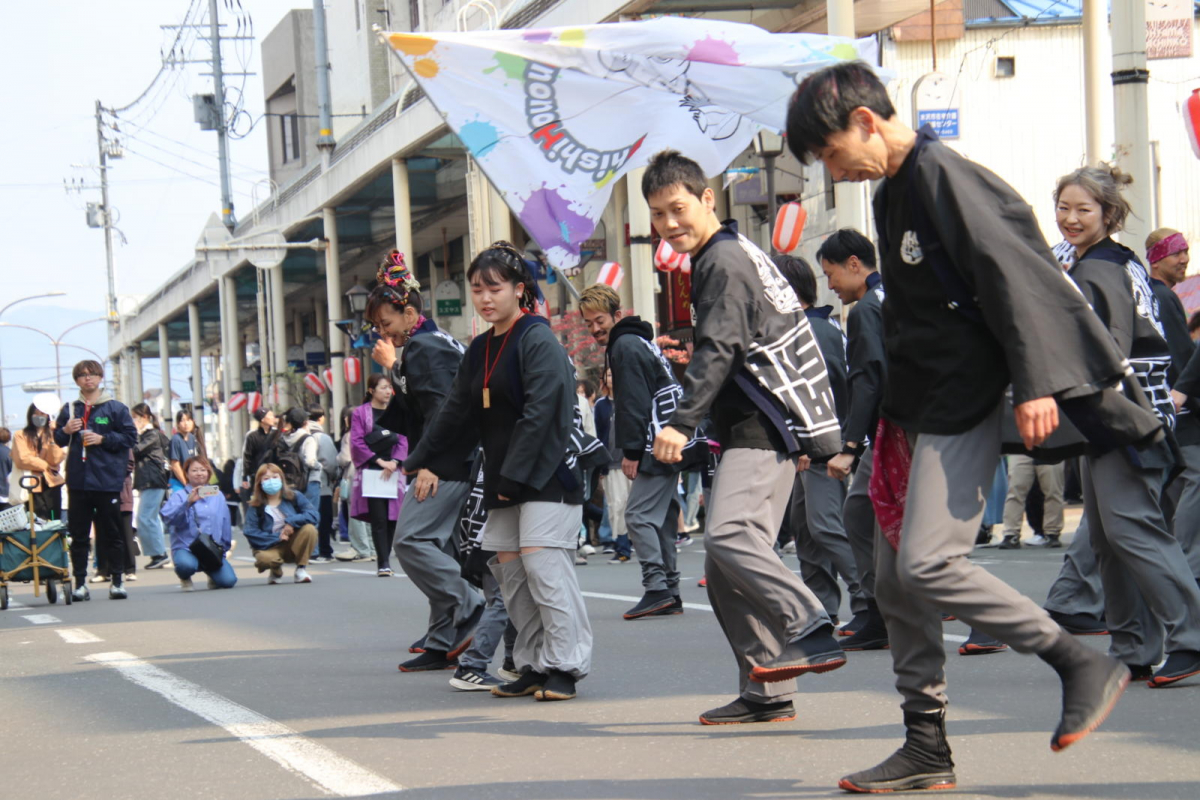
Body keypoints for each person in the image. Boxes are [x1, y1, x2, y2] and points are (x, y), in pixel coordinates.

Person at [787, 62, 1141, 791]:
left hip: (964, 399)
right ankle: (926, 745)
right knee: (894, 583)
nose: (832, 168)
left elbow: (1016, 270)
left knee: (928, 564)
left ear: (862, 121)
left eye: (827, 152)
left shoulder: (945, 174)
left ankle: (1079, 661)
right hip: (911, 409)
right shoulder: (891, 192)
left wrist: (1038, 380)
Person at [643, 150, 845, 726]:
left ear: (708, 200)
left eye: (677, 208)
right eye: (658, 215)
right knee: (727, 564)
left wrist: (680, 422)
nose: (669, 224)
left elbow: (720, 347)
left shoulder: (722, 261)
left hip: (762, 425)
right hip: (755, 424)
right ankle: (766, 690)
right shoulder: (728, 254)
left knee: (729, 536)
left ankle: (808, 622)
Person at [405, 241, 597, 702]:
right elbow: (455, 411)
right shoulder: (481, 347)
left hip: (550, 473)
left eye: (494, 288)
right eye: (476, 289)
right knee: (511, 577)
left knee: (544, 567)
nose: (485, 298)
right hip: (506, 477)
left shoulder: (538, 337)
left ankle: (566, 665)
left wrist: (513, 477)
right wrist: (422, 458)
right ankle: (531, 664)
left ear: (519, 289)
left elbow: (541, 413)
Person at [1055, 166, 1200, 686]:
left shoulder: (1096, 271)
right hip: (1121, 414)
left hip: (1121, 414)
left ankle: (1190, 638)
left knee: (1132, 532)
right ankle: (1133, 646)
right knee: (1108, 537)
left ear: (1109, 216)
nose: (1070, 219)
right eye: (1064, 208)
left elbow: (1105, 352)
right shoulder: (1117, 262)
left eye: (1083, 210)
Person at [367, 252, 485, 673]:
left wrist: (430, 462)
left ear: (410, 312)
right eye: (379, 327)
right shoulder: (436, 342)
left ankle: (468, 606)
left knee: (412, 541)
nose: (383, 333)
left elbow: (441, 410)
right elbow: (426, 404)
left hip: (446, 461)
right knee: (439, 547)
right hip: (456, 457)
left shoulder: (425, 347)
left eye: (387, 324)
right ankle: (442, 638)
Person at [579, 283, 695, 619]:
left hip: (655, 440)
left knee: (638, 515)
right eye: (588, 323)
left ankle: (657, 588)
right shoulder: (639, 340)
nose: (595, 328)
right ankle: (669, 590)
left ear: (617, 315)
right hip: (671, 435)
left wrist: (631, 451)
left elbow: (633, 400)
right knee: (664, 517)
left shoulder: (625, 345)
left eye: (599, 320)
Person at [772, 254, 869, 635]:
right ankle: (822, 609)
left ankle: (868, 600)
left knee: (825, 526)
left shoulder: (813, 330)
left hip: (822, 443)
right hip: (811, 443)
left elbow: (831, 390)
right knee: (807, 529)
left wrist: (829, 442)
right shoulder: (810, 327)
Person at [811, 228, 891, 651]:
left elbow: (867, 380)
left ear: (854, 264)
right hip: (906, 428)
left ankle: (982, 618)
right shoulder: (892, 298)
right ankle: (879, 612)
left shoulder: (865, 310)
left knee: (898, 529)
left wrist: (850, 446)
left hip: (891, 432)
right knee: (862, 515)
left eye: (831, 274)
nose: (830, 285)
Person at [54, 360, 137, 601]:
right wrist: (66, 431)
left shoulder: (116, 408)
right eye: (82, 375)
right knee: (78, 535)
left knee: (112, 533)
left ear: (101, 377)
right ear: (76, 380)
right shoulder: (70, 409)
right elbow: (58, 440)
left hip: (107, 480)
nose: (87, 378)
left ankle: (118, 582)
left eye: (92, 374)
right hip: (78, 481)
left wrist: (103, 439)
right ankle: (80, 583)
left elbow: (130, 438)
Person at [1147, 229, 1200, 576]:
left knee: (1168, 489)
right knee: (1195, 478)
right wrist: (1188, 393)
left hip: (1161, 406)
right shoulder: (1163, 297)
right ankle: (1186, 566)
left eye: (1185, 251)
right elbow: (1182, 355)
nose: (1184, 259)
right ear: (1155, 256)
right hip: (1180, 408)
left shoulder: (1150, 294)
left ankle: (1165, 566)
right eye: (1175, 252)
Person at [350, 374, 408, 578]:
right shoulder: (360, 413)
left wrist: (395, 461)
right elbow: (356, 442)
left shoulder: (397, 411)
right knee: (379, 518)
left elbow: (403, 439)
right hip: (372, 470)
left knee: (393, 518)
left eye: (389, 387)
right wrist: (379, 461)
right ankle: (383, 562)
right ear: (371, 390)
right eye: (383, 387)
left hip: (394, 471)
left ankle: (386, 558)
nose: (387, 391)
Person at [159, 456, 237, 590]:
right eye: (194, 470)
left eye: (203, 470)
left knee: (228, 581)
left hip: (210, 549)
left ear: (208, 473)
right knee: (186, 565)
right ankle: (184, 577)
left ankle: (212, 573)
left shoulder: (217, 495)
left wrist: (223, 549)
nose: (199, 473)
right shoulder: (179, 495)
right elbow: (168, 519)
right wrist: (188, 503)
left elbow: (225, 522)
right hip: (186, 547)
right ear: (187, 474)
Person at [243, 462, 318, 584]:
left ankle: (301, 569)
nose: (271, 481)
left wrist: (291, 522)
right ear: (259, 483)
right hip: (270, 545)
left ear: (281, 479)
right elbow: (250, 531)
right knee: (264, 559)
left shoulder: (294, 496)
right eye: (266, 479)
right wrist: (278, 537)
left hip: (292, 542)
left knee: (309, 529)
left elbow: (314, 515)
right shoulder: (256, 505)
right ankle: (275, 569)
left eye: (275, 477)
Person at [130, 402, 172, 569]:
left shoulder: (151, 434)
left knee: (145, 517)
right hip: (151, 480)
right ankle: (158, 553)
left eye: (135, 417)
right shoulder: (149, 434)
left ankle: (159, 554)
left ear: (145, 417)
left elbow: (136, 450)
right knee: (152, 518)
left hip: (153, 480)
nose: (133, 421)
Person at [334, 406, 375, 562]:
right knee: (369, 513)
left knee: (356, 514)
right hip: (370, 476)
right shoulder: (371, 434)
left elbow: (344, 458)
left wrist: (337, 459)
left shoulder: (350, 435)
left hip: (354, 476)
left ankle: (361, 549)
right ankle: (373, 548)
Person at [12, 402, 65, 521]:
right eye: (35, 413)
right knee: (35, 520)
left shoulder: (54, 433)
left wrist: (53, 435)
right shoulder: (20, 435)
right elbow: (22, 459)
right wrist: (46, 465)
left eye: (42, 414)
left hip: (52, 483)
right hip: (30, 483)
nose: (39, 416)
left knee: (54, 519)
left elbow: (56, 459)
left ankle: (54, 539)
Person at [998, 455, 1065, 548]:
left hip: (1050, 446)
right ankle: (1011, 533)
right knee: (1015, 490)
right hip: (1021, 446)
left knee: (1053, 490)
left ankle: (1052, 533)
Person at [305, 404, 340, 563]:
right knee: (323, 518)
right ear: (321, 418)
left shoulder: (300, 435)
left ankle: (309, 550)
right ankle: (324, 551)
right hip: (321, 483)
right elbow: (331, 462)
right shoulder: (321, 437)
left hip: (302, 485)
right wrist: (335, 476)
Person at [241, 408, 278, 500]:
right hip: (258, 475)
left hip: (275, 474)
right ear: (262, 419)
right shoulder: (252, 436)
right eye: (270, 415)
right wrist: (245, 477)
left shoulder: (277, 434)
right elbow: (247, 457)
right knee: (259, 500)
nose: (273, 418)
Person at [168, 409, 206, 493]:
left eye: (188, 420)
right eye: (182, 420)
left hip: (191, 482)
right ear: (178, 424)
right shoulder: (176, 439)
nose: (186, 423)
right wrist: (186, 483)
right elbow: (175, 464)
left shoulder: (192, 438)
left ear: (193, 422)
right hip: (178, 482)